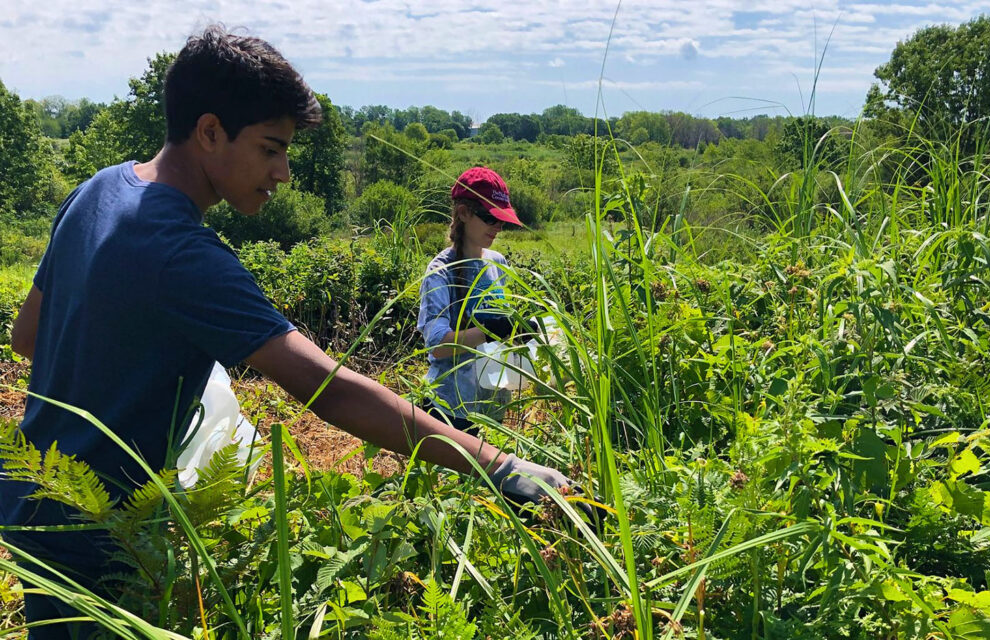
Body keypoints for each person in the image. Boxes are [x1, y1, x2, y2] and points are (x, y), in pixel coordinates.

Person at [4, 26, 571, 640]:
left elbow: (28, 336)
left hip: (33, 501)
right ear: (210, 131)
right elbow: (328, 388)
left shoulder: (97, 190)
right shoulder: (187, 257)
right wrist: (499, 466)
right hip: (102, 537)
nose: (285, 172)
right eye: (271, 148)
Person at [417, 167, 536, 437]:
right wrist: (489, 331)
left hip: (491, 404)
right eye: (489, 218)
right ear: (463, 213)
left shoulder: (497, 263)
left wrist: (520, 331)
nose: (497, 226)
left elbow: (500, 326)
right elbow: (436, 346)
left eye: (501, 220)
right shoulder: (441, 271)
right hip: (450, 408)